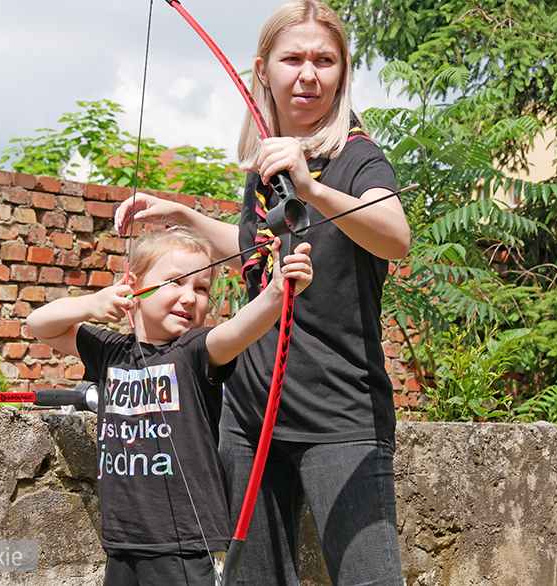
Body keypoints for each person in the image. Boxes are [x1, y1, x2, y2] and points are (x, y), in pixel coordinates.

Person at [114, 1, 410, 584]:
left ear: (342, 73)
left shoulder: (356, 159)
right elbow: (259, 246)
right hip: (251, 414)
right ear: (263, 71)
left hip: (339, 416)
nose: (308, 75)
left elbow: (394, 236)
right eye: (292, 58)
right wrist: (184, 214)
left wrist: (311, 186)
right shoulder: (266, 167)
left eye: (325, 61)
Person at [26, 227, 313, 586]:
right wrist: (92, 304)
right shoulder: (110, 350)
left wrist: (276, 291)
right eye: (175, 282)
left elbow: (239, 329)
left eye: (202, 288)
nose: (189, 297)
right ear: (134, 284)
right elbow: (38, 325)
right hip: (123, 540)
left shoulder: (195, 350)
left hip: (186, 544)